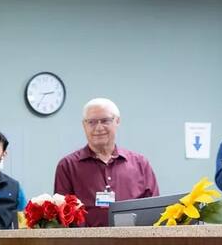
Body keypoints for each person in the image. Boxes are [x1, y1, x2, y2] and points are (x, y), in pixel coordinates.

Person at [53, 97, 158, 227]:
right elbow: (63, 217)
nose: (99, 127)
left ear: (117, 121)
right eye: (91, 122)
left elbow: (154, 210)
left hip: (135, 243)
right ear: (84, 125)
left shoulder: (140, 164)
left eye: (105, 120)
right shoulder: (67, 166)